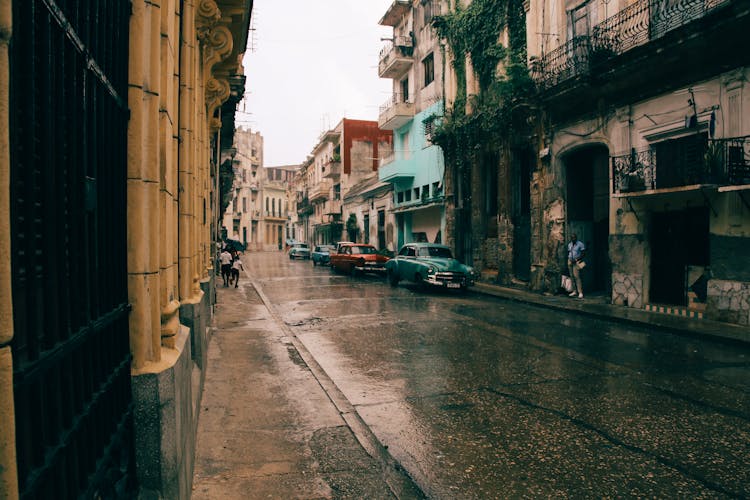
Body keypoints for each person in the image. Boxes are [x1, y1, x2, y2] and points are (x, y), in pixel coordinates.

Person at [567, 233, 586, 299]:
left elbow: (583, 254)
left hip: (576, 261)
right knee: (571, 276)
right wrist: (570, 259)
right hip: (570, 261)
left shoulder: (580, 244)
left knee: (577, 277)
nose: (573, 239)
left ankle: (580, 292)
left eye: (574, 237)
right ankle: (574, 291)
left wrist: (577, 259)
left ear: (576, 238)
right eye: (572, 238)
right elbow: (569, 252)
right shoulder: (569, 244)